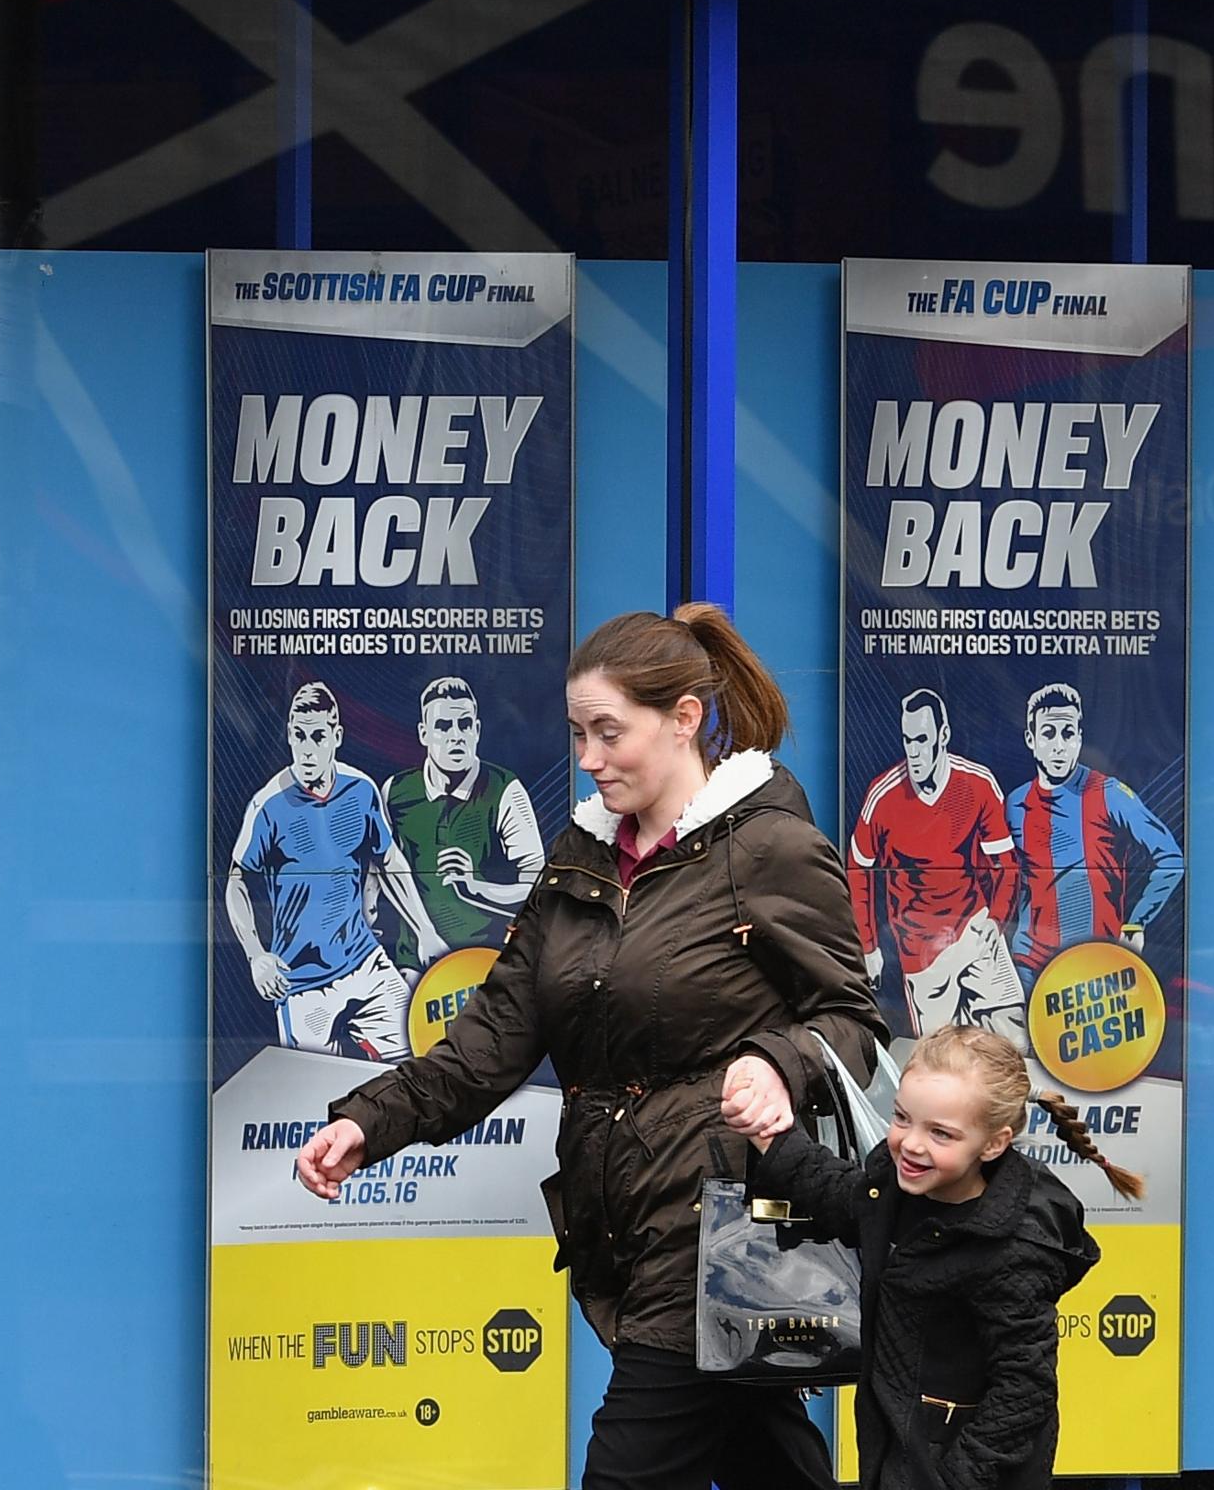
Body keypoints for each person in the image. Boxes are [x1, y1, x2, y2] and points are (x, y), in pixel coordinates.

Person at [289, 604, 881, 1490]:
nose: (590, 758)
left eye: (610, 732)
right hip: (622, 1217)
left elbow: (849, 1019)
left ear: (684, 718)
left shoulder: (769, 850)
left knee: (628, 1471)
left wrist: (776, 1061)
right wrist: (370, 1123)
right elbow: (494, 1035)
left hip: (716, 1224)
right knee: (764, 1452)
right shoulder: (580, 858)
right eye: (578, 734)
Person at [729, 1024, 1130, 1490]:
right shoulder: (893, 1186)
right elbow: (840, 1197)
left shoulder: (1013, 1249)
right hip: (897, 1452)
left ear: (995, 1143)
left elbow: (1024, 1389)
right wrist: (772, 1134)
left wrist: (959, 1476)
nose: (912, 1144)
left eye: (941, 1133)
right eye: (902, 1119)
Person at [226, 681, 447, 1059]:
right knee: (315, 1096)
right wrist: (256, 955)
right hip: (300, 981)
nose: (307, 748)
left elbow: (389, 860)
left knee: (416, 1069)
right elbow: (236, 882)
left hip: (364, 961)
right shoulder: (268, 804)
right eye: (299, 736)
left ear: (337, 736)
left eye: (317, 736)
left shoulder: (360, 789)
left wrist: (425, 930)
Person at [850, 688, 1027, 1046]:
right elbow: (858, 873)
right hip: (919, 950)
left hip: (976, 930)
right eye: (907, 740)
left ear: (942, 736)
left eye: (922, 739)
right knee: (938, 1062)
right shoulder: (881, 797)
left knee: (1014, 1040)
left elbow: (1005, 864)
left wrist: (997, 921)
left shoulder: (977, 784)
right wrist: (869, 949)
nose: (913, 751)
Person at [1001, 685, 1183, 969]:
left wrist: (1136, 923)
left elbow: (1170, 859)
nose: (1059, 745)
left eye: (1068, 733)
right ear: (1030, 739)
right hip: (1028, 966)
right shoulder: (1015, 804)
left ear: (1079, 738)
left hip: (1095, 965)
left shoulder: (1109, 794)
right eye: (1048, 733)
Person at [386, 674, 549, 955]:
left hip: (487, 957)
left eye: (464, 725)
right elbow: (379, 870)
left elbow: (538, 889)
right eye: (443, 726)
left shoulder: (505, 790)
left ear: (477, 730)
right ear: (423, 734)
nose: (456, 736)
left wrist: (477, 888)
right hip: (414, 959)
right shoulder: (395, 791)